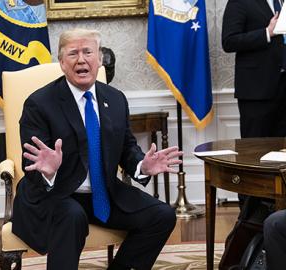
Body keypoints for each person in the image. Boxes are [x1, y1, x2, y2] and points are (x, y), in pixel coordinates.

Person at [12, 28, 182, 270]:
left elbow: (127, 148)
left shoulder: (115, 99)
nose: (81, 59)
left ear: (100, 59)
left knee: (162, 215)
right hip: (55, 194)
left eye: (88, 52)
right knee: (72, 216)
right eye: (72, 54)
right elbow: (32, 166)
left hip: (102, 194)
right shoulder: (39, 104)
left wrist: (142, 165)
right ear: (61, 63)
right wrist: (48, 171)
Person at [222, 0, 286, 139]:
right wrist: (267, 32)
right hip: (256, 91)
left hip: (284, 89)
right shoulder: (239, 2)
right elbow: (229, 41)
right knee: (254, 151)